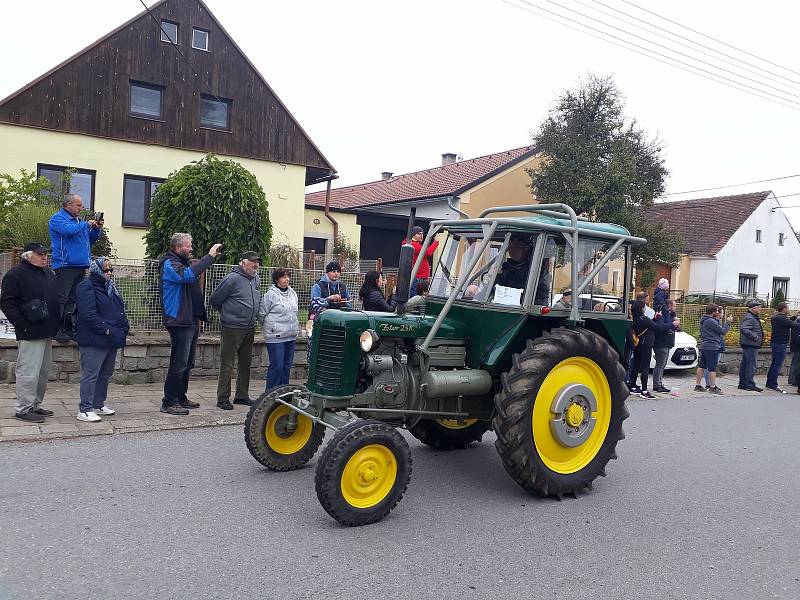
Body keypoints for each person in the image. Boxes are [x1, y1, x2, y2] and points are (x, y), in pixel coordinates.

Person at [159, 233, 222, 415]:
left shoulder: (182, 262)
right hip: (178, 320)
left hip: (190, 318)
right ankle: (169, 402)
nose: (191, 248)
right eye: (188, 246)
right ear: (178, 248)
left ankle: (180, 397)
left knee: (188, 362)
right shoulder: (169, 264)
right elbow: (186, 276)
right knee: (178, 363)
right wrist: (209, 256)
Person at [0, 242, 61, 423]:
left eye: (46, 254)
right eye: (40, 254)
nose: (45, 257)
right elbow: (7, 303)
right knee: (28, 371)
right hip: (29, 331)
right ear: (28, 255)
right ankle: (23, 409)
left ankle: (35, 404)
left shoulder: (48, 274)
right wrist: (21, 324)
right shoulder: (15, 275)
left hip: (47, 330)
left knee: (42, 371)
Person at [74, 258, 129, 422]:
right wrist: (106, 329)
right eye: (106, 271)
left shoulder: (111, 287)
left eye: (111, 270)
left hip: (111, 337)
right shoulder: (86, 286)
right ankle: (85, 409)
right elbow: (88, 314)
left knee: (105, 374)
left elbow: (119, 309)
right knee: (91, 374)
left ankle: (98, 404)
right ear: (97, 271)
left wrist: (123, 327)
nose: (110, 274)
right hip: (94, 338)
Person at [209, 251, 261, 410]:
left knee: (246, 363)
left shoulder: (255, 278)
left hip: (249, 326)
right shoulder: (232, 279)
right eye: (253, 262)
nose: (256, 265)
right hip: (232, 326)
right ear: (242, 262)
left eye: (257, 262)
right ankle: (223, 398)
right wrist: (229, 314)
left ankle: (242, 395)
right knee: (228, 363)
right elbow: (215, 299)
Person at [48, 193, 104, 342]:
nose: (81, 207)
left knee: (73, 298)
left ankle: (68, 328)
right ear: (68, 205)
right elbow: (67, 230)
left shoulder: (78, 221)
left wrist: (96, 229)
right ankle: (57, 329)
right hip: (65, 265)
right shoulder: (58, 218)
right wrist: (86, 224)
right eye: (78, 205)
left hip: (80, 265)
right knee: (62, 298)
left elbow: (89, 240)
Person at [260, 268, 299, 391]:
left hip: (290, 335)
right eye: (283, 277)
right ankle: (270, 394)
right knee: (277, 366)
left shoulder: (293, 293)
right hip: (275, 336)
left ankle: (283, 392)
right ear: (277, 279)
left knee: (286, 367)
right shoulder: (270, 295)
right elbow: (262, 314)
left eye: (288, 276)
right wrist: (271, 327)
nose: (287, 279)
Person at [630, 298, 673, 399]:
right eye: (644, 306)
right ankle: (644, 391)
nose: (646, 308)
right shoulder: (644, 319)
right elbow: (658, 327)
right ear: (641, 308)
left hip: (638, 344)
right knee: (645, 367)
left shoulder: (635, 318)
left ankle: (632, 386)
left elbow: (650, 324)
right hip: (646, 345)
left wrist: (654, 319)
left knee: (636, 366)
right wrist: (660, 319)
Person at [694, 304, 730, 395]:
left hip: (705, 345)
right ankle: (712, 387)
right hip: (711, 346)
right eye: (717, 311)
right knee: (712, 368)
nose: (718, 312)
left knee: (702, 366)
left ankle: (698, 385)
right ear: (713, 312)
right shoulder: (710, 321)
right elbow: (723, 331)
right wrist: (728, 322)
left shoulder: (705, 320)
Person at [766, 301, 800, 393]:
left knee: (774, 364)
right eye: (787, 308)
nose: (788, 309)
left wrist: (795, 317)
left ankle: (769, 383)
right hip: (780, 343)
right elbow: (794, 325)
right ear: (784, 309)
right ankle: (773, 385)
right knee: (777, 365)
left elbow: (788, 322)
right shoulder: (782, 318)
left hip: (776, 342)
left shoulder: (776, 317)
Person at [652, 298, 681, 393]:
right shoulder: (662, 314)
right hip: (661, 343)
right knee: (660, 364)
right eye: (674, 305)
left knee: (662, 365)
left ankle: (660, 383)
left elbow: (671, 327)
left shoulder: (670, 315)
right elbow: (662, 327)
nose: (676, 307)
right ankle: (656, 385)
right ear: (669, 306)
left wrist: (675, 324)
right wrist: (672, 324)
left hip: (667, 343)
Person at [403, 226, 439, 297]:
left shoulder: (415, 244)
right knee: (416, 298)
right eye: (419, 234)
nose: (421, 236)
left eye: (422, 234)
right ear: (413, 235)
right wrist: (436, 242)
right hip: (418, 277)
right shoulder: (413, 244)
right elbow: (428, 252)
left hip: (420, 277)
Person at [738, 299, 765, 392]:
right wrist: (755, 336)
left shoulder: (752, 316)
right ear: (754, 308)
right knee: (750, 365)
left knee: (745, 364)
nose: (760, 309)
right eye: (759, 308)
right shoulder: (750, 317)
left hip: (749, 344)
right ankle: (749, 384)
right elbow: (744, 329)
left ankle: (742, 384)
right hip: (751, 345)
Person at [787, 315, 800, 393]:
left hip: (795, 346)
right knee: (796, 364)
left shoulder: (796, 321)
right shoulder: (798, 323)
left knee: (795, 363)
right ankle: (794, 381)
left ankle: (792, 380)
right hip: (797, 347)